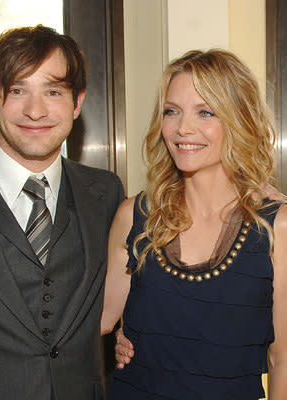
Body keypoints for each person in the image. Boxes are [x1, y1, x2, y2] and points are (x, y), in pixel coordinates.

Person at [101, 49, 287, 399]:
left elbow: (282, 359)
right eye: (172, 111)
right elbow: (95, 320)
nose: (183, 128)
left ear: (239, 120)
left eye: (206, 112)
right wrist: (121, 333)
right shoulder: (134, 215)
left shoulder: (277, 227)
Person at [0, 25, 124, 400]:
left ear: (77, 102)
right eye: (18, 90)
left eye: (53, 91)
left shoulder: (108, 193)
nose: (36, 110)